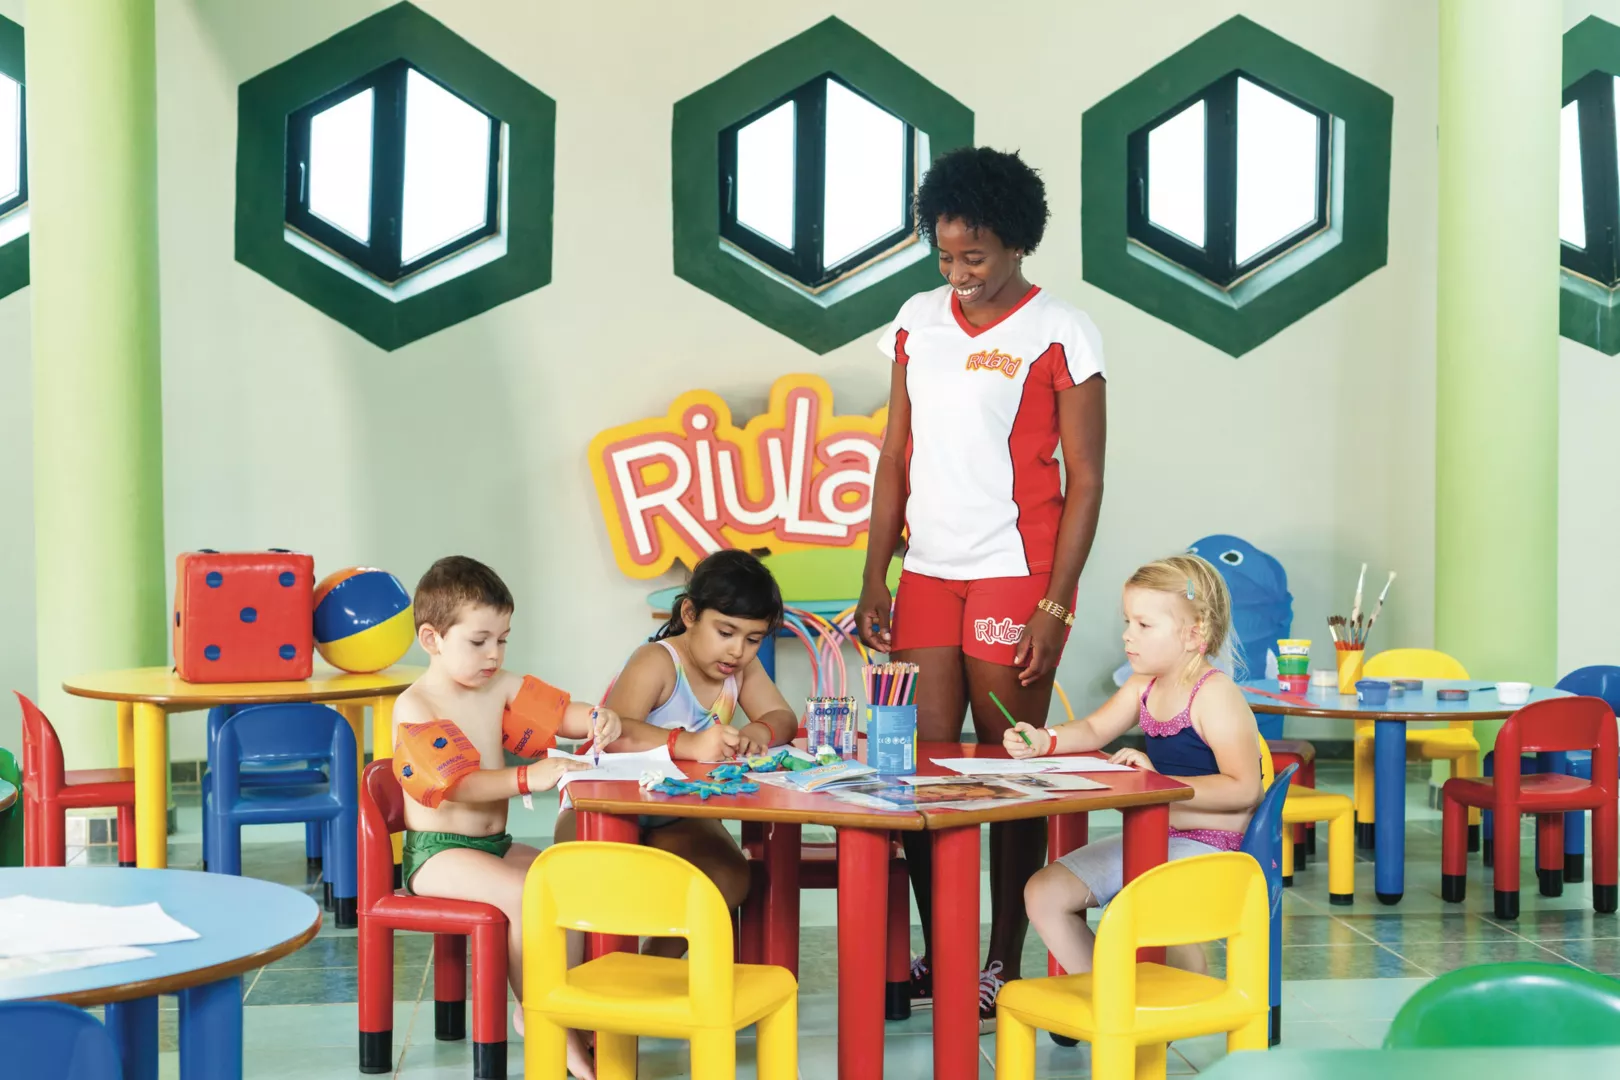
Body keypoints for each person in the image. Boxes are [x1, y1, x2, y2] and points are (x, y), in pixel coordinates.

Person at [856, 145, 1107, 1028]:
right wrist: (875, 573)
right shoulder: (915, 321)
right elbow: (894, 454)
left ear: (1017, 244)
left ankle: (1003, 957)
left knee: (1010, 768)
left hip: (1014, 574)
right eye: (945, 256)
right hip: (928, 572)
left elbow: (1086, 479)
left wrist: (1055, 603)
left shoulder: (1061, 330)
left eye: (976, 257)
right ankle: (947, 950)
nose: (959, 274)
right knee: (923, 770)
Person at [390, 555, 623, 1080]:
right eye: (479, 641)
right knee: (523, 895)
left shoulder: (499, 686)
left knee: (567, 881)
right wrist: (527, 777)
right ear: (431, 639)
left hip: (492, 847)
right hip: (439, 855)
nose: (494, 654)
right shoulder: (416, 705)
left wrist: (596, 716)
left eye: (502, 639)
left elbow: (559, 713)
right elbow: (458, 785)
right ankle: (542, 1018)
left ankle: (556, 1002)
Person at [1008, 554, 1263, 984]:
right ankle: (1114, 1001)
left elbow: (1244, 789)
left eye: (1144, 625)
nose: (1128, 635)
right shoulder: (1144, 685)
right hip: (1155, 835)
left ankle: (1169, 997)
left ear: (1194, 633)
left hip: (1213, 846)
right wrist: (1043, 739)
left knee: (1140, 910)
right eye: (1128, 622)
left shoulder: (1214, 694)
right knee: (1044, 893)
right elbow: (1093, 728)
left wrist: (1158, 783)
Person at [554, 549, 798, 958]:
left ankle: (645, 970)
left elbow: (782, 716)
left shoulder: (741, 670)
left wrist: (758, 730)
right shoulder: (657, 661)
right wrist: (690, 744)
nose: (737, 651)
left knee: (726, 879)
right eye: (726, 632)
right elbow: (615, 735)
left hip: (676, 812)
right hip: (600, 807)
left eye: (753, 639)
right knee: (595, 890)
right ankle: (586, 982)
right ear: (690, 614)